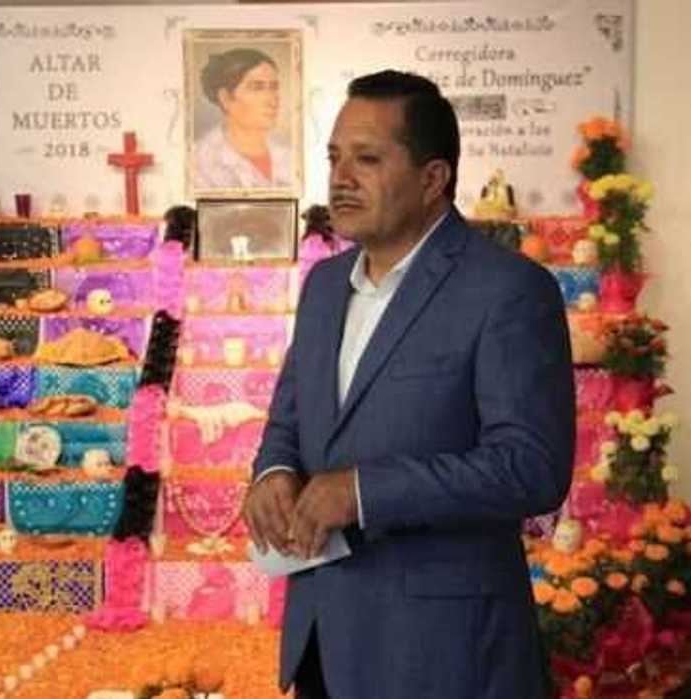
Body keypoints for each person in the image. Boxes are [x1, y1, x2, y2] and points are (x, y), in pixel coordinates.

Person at [243, 70, 575, 698]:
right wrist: (274, 473)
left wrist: (363, 492)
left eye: (367, 159)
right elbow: (291, 417)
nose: (342, 178)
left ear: (432, 178)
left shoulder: (507, 291)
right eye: (335, 158)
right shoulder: (324, 286)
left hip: (442, 652)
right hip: (323, 636)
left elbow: (531, 467)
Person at [192, 48, 293, 190]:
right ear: (225, 98)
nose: (272, 100)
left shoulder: (288, 156)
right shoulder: (200, 160)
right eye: (257, 88)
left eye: (274, 87)